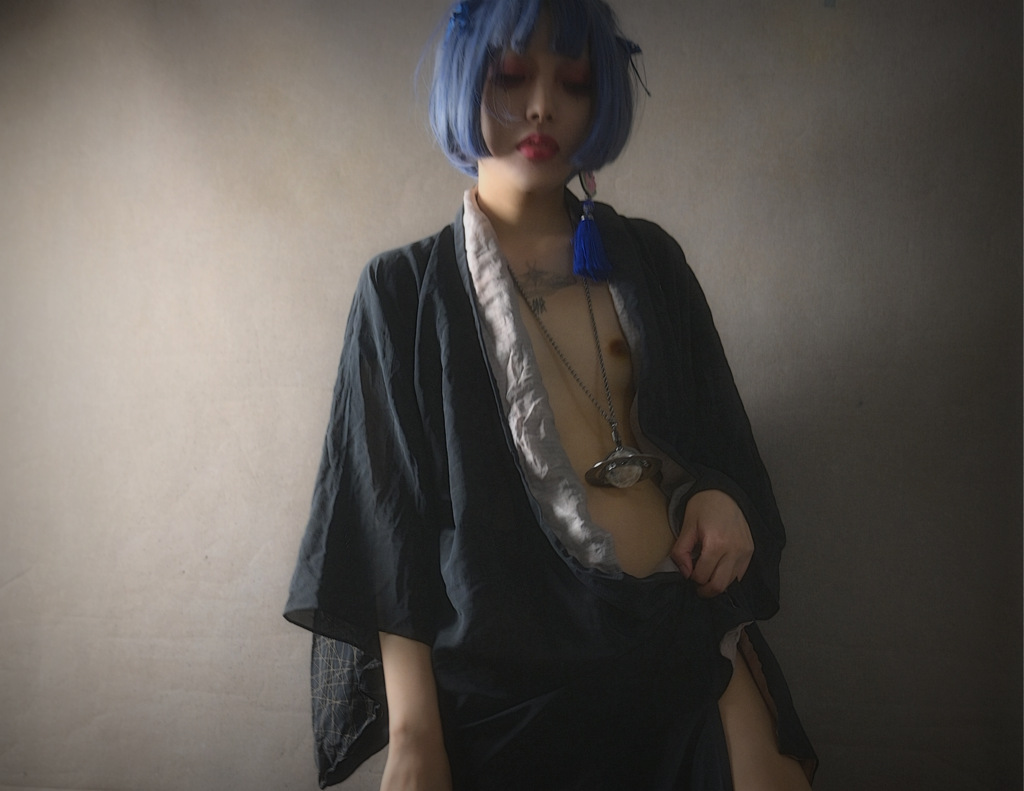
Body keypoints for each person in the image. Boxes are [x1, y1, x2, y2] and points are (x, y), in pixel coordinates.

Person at [285, 1, 817, 788]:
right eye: (510, 76)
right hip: (507, 683)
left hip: (680, 643)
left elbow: (718, 442)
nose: (541, 106)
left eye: (573, 83)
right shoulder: (400, 293)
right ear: (464, 81)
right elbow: (385, 531)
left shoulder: (651, 261)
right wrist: (414, 735)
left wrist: (719, 497)